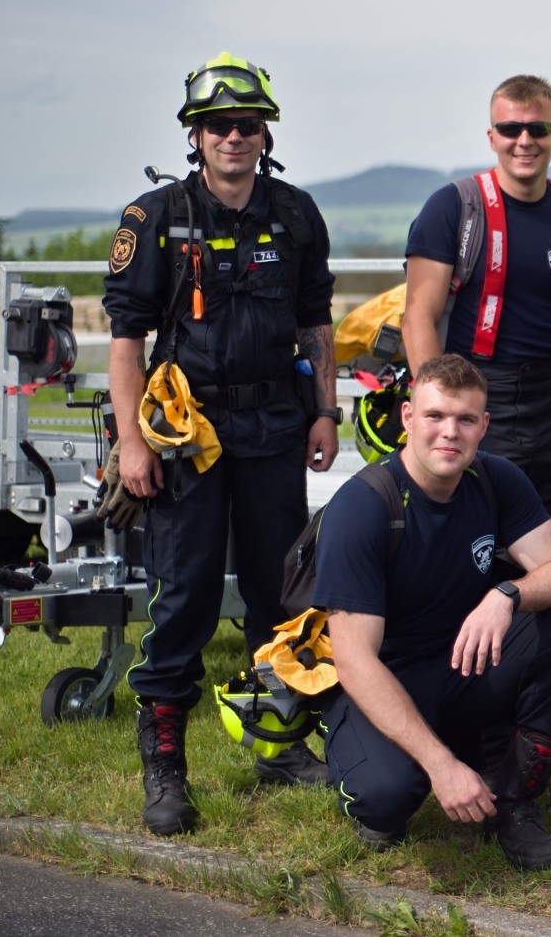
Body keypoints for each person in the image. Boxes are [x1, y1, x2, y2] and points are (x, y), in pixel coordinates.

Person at [103, 52, 339, 835]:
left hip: (274, 427)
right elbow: (127, 340)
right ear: (195, 137)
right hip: (187, 438)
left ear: (264, 132)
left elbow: (316, 321)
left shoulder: (296, 213)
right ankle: (166, 770)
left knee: (282, 597)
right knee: (186, 599)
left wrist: (326, 411)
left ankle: (280, 745)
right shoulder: (155, 217)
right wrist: (134, 442)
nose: (233, 137)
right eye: (217, 126)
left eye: (246, 124)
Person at [315, 354, 551, 870]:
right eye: (435, 416)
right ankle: (399, 753)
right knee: (386, 803)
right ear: (407, 418)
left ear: (484, 426)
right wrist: (440, 765)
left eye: (466, 420)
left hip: (461, 665)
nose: (450, 433)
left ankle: (515, 798)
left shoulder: (495, 480)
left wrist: (507, 594)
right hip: (383, 680)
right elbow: (356, 661)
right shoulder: (362, 507)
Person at [401, 75, 551, 545]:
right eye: (509, 130)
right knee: (473, 533)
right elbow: (417, 320)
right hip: (475, 391)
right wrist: (445, 413)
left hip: (550, 399)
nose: (523, 141)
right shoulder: (454, 206)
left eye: (537, 128)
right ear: (492, 137)